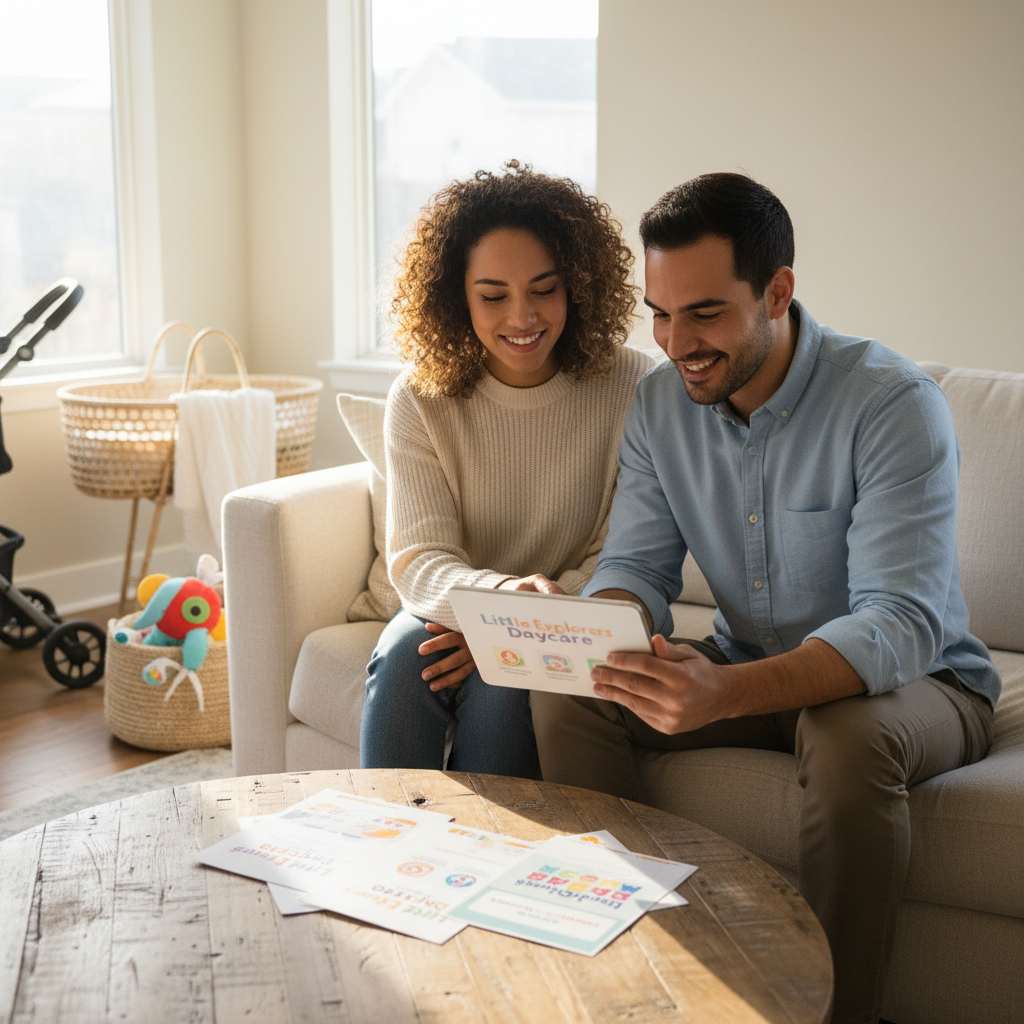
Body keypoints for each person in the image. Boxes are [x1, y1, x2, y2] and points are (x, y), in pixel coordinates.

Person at [531, 172, 999, 1024]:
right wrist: (600, 632)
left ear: (778, 291)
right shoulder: (657, 405)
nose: (677, 343)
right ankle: (631, 978)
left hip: (923, 687)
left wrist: (727, 691)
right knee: (574, 698)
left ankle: (829, 1011)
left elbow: (901, 622)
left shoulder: (892, 405)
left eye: (704, 313)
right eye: (659, 314)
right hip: (746, 666)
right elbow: (636, 566)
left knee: (845, 730)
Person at [359, 161, 653, 779]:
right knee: (404, 653)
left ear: (577, 284)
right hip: (455, 607)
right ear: (456, 298)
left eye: (544, 289)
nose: (522, 317)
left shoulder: (633, 386)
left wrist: (515, 631)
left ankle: (486, 862)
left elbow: (620, 557)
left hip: (564, 623)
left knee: (502, 685)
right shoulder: (420, 398)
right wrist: (497, 606)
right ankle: (382, 848)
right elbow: (418, 557)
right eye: (493, 296)